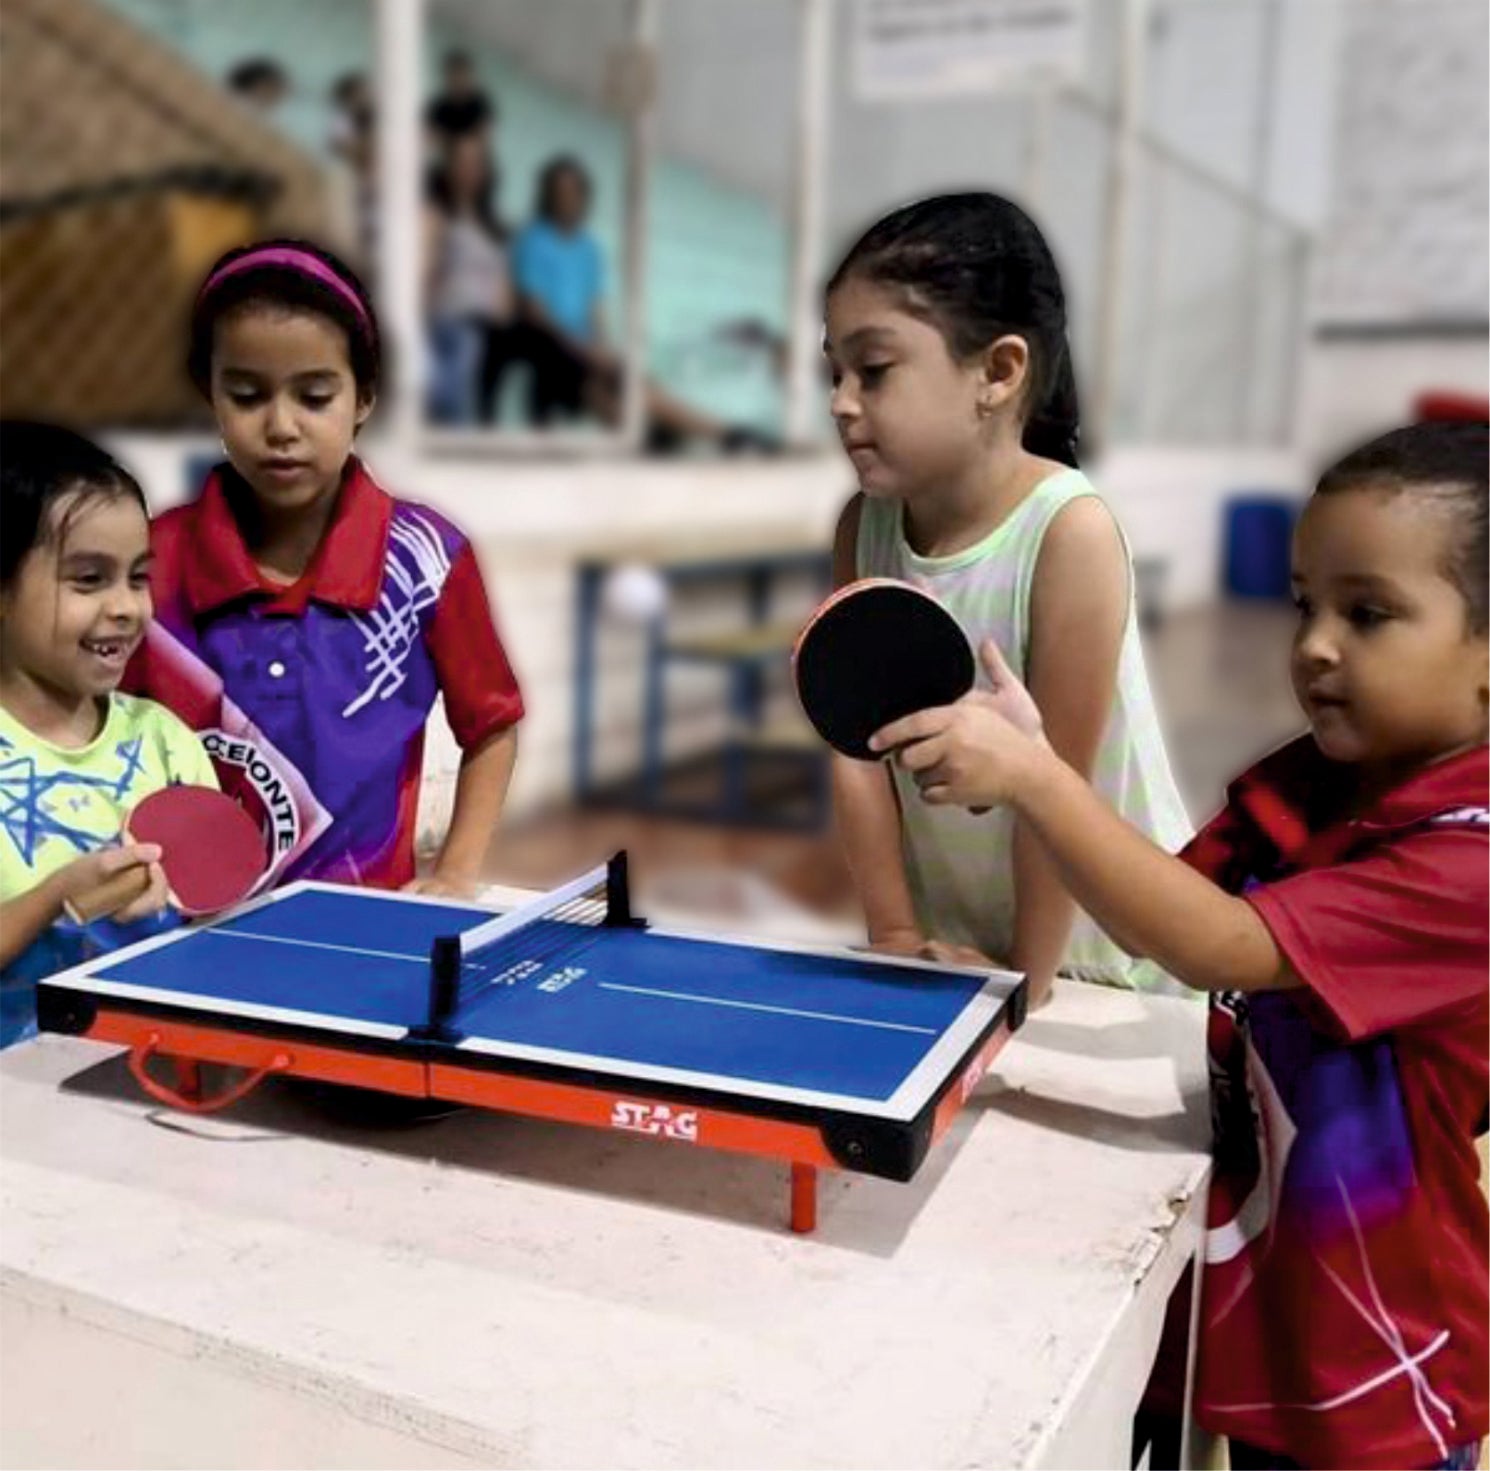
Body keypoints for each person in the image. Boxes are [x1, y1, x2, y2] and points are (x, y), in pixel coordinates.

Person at [871, 420, 1489, 1470]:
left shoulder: (1468, 862)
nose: (1314, 644)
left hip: (1379, 1357)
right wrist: (1035, 764)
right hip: (1267, 1290)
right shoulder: (1320, 780)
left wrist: (1036, 782)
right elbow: (1155, 906)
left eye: (1368, 613)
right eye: (1305, 604)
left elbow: (1217, 943)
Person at [821, 192, 1191, 1001]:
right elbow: (860, 755)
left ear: (997, 372)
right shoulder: (863, 528)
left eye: (874, 370)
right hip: (966, 950)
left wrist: (1028, 983)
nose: (842, 401)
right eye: (834, 372)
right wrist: (895, 937)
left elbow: (1059, 781)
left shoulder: (1069, 534)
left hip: (1100, 959)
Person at [126, 240, 525, 896]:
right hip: (185, 924)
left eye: (314, 396)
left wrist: (455, 872)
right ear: (210, 392)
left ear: (363, 396)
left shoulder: (428, 558)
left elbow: (493, 725)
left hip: (362, 925)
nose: (281, 426)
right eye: (247, 395)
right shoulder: (151, 559)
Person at [0, 422, 216, 1047]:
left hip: (147, 1082)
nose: (126, 606)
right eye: (90, 579)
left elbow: (208, 926)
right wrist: (59, 899)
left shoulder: (168, 743)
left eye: (138, 577)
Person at [513, 155, 767, 452]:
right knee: (595, 387)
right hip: (549, 343)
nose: (568, 200)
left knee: (634, 380)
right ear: (548, 196)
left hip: (585, 346)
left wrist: (600, 347)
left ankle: (724, 433)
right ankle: (657, 437)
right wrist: (584, 349)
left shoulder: (588, 249)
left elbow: (595, 311)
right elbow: (534, 312)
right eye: (561, 193)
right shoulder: (533, 240)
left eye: (574, 192)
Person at [424, 134, 521, 426]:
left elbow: (504, 285)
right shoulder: (436, 215)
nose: (468, 170)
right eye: (461, 161)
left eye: (476, 163)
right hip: (448, 318)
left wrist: (502, 317)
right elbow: (427, 272)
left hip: (489, 325)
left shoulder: (496, 227)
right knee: (466, 346)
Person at [424, 50, 495, 158]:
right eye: (454, 75)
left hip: (475, 160)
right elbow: (432, 141)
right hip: (447, 161)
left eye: (461, 74)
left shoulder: (480, 104)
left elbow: (484, 139)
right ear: (447, 77)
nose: (458, 80)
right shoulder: (438, 107)